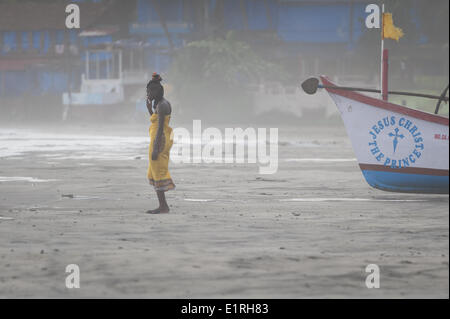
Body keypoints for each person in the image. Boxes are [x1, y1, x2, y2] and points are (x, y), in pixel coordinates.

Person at [145, 73, 175, 214]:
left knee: (158, 170)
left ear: (157, 91)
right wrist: (149, 108)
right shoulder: (161, 104)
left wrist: (156, 148)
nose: (148, 94)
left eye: (150, 91)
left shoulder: (163, 105)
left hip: (160, 139)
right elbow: (156, 120)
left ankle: (163, 206)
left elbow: (160, 128)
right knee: (155, 170)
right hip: (160, 138)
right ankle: (162, 205)